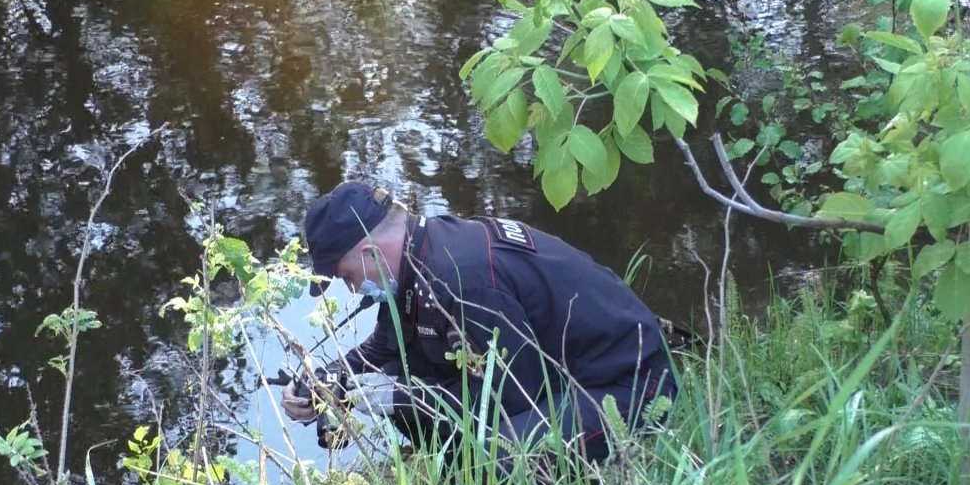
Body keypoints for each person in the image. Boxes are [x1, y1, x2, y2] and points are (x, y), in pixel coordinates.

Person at [281, 180, 676, 468]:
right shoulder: (415, 260)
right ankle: (448, 463)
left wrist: (398, 396)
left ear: (370, 253)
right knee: (404, 375)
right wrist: (325, 381)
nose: (353, 289)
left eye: (347, 276)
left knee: (488, 463)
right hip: (562, 375)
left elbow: (511, 397)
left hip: (628, 383)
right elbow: (383, 351)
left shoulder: (461, 277)